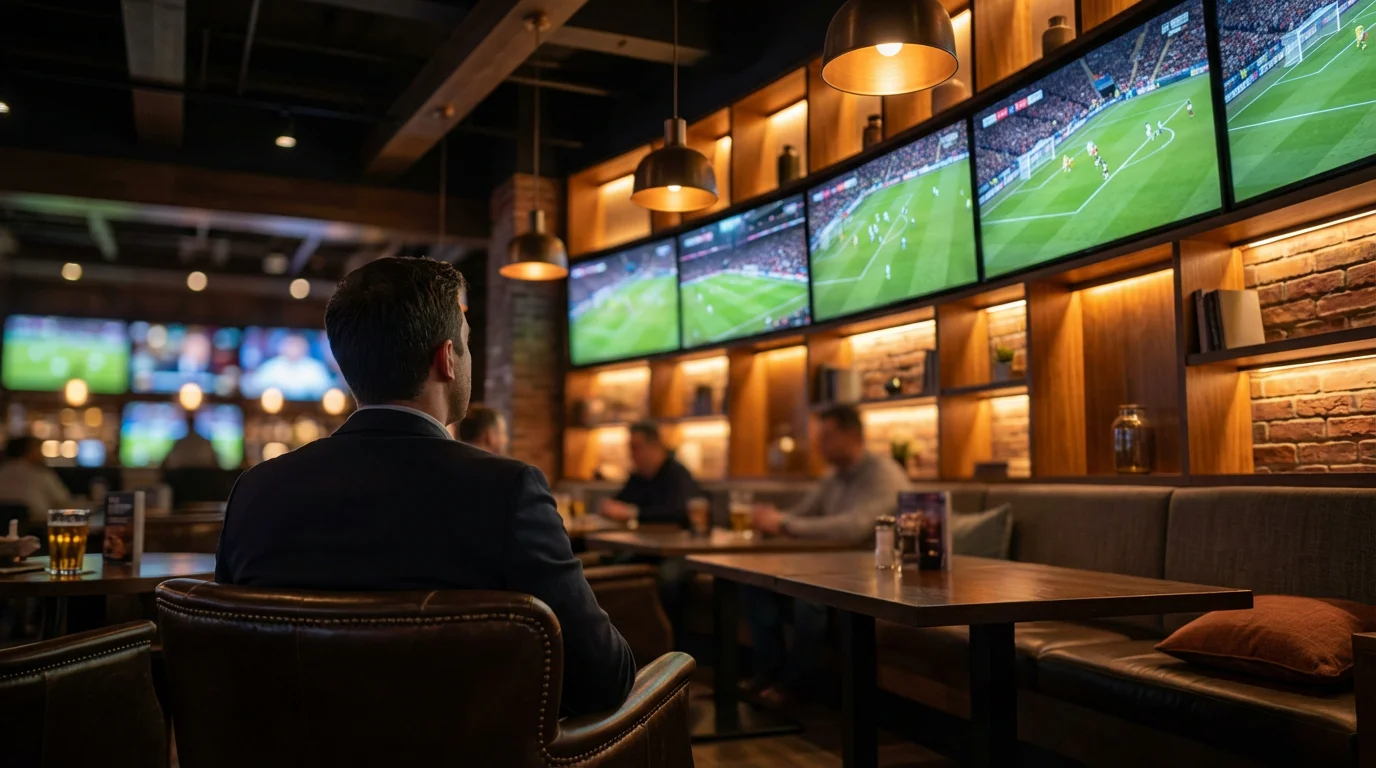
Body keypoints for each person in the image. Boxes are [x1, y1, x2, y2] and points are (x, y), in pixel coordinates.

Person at [215, 257, 635, 716]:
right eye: (467, 345)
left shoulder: (255, 492)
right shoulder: (507, 491)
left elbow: (229, 663)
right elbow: (602, 678)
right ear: (447, 358)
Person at [744, 405, 911, 707]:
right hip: (834, 568)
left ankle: (794, 686)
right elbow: (801, 514)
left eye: (827, 436)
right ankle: (768, 673)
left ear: (853, 435)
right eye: (818, 436)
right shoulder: (834, 477)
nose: (819, 444)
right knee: (757, 584)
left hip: (877, 573)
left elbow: (855, 528)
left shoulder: (883, 474)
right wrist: (772, 520)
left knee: (809, 598)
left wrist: (784, 523)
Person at [600, 421, 700, 527]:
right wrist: (610, 508)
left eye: (636, 448)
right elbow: (619, 503)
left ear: (654, 446)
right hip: (641, 536)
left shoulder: (676, 474)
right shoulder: (638, 477)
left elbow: (677, 513)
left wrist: (632, 512)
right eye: (630, 448)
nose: (631, 454)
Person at [0, 437, 72, 527]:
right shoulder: (41, 474)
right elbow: (64, 503)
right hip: (39, 528)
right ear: (28, 452)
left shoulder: (2, 472)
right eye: (38, 450)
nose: (41, 454)